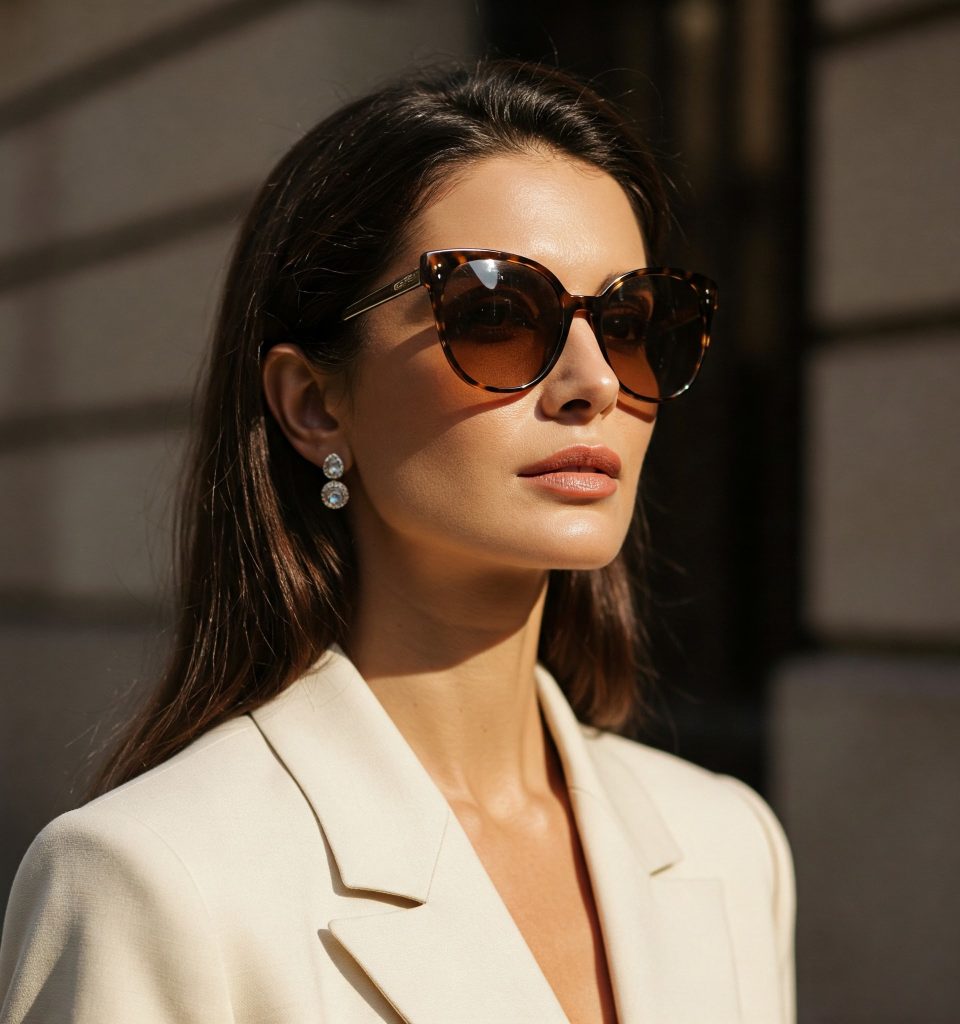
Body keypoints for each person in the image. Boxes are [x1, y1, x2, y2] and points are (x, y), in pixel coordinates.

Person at [0, 60, 794, 1023]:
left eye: (629, 322)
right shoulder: (152, 882)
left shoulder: (729, 845)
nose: (592, 380)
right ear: (312, 403)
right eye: (498, 313)